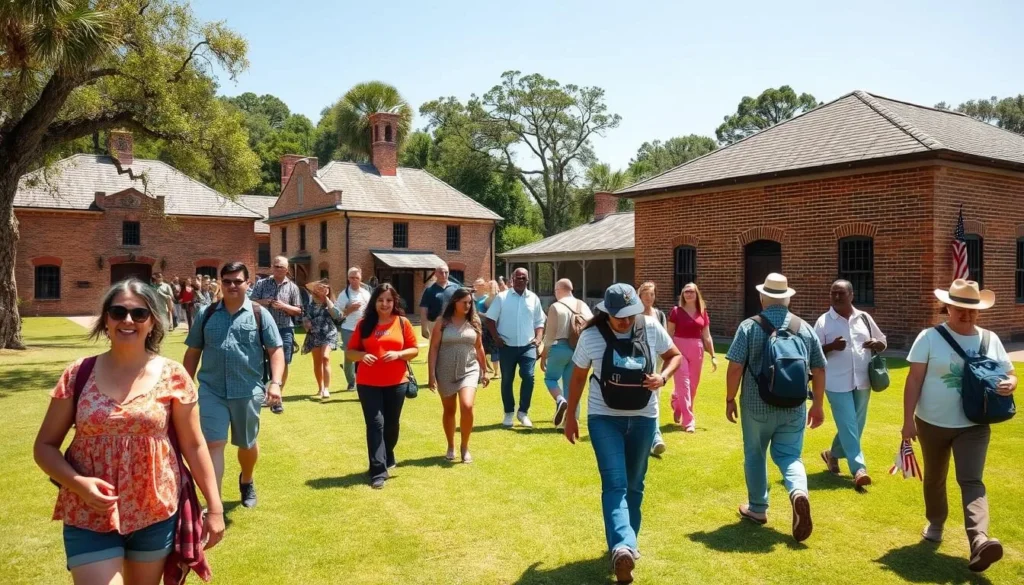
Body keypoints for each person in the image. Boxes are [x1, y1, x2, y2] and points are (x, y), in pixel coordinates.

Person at [34, 279, 224, 584]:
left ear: (153, 322)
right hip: (88, 512)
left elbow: (194, 445)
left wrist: (215, 509)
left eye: (139, 314)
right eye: (118, 311)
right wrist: (79, 483)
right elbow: (44, 445)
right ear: (105, 319)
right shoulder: (78, 373)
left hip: (154, 512)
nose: (127, 320)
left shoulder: (172, 375)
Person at [564, 283, 682, 585]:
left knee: (635, 484)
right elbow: (578, 377)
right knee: (615, 483)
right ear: (607, 312)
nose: (626, 322)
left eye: (630, 315)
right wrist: (571, 415)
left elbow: (675, 356)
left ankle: (627, 543)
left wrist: (662, 377)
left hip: (644, 418)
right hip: (604, 419)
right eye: (620, 317)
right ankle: (622, 547)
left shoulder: (651, 326)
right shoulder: (591, 336)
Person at [902, 279, 1015, 572]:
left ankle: (979, 541)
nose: (966, 315)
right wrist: (906, 422)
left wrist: (1010, 384)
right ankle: (936, 523)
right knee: (935, 477)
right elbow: (914, 379)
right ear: (947, 308)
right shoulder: (929, 337)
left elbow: (1010, 373)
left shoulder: (990, 339)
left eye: (972, 311)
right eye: (960, 310)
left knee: (971, 480)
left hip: (974, 423)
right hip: (931, 422)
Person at [724, 273, 825, 542]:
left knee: (755, 454)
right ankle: (798, 492)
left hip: (757, 405)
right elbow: (819, 367)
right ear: (788, 298)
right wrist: (818, 404)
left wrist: (730, 398)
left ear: (762, 297)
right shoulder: (804, 328)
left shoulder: (749, 326)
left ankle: (758, 508)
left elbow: (735, 367)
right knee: (791, 456)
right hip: (794, 405)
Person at [183, 262, 285, 509]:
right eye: (226, 281)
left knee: (247, 444)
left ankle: (247, 479)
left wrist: (275, 383)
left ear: (247, 284)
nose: (231, 286)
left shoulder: (260, 314)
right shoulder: (206, 313)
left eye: (237, 281)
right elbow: (193, 351)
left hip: (248, 391)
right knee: (213, 444)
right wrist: (184, 385)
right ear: (221, 283)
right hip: (211, 390)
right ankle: (214, 504)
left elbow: (276, 350)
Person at [814, 279, 887, 489]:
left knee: (857, 425)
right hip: (835, 381)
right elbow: (812, 351)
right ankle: (859, 470)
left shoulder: (864, 318)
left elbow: (882, 340)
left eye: (841, 293)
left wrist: (877, 344)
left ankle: (832, 454)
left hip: (863, 380)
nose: (836, 297)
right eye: (833, 293)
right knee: (848, 424)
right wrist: (831, 346)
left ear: (851, 295)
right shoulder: (824, 321)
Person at [346, 283, 420, 489]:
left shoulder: (403, 323)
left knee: (391, 424)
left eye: (388, 300)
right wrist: (362, 355)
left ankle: (388, 453)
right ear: (374, 302)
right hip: (368, 383)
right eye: (380, 300)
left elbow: (414, 349)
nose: (385, 304)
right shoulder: (364, 324)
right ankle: (378, 470)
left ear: (394, 301)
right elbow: (350, 352)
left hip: (397, 383)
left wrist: (399, 354)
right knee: (375, 424)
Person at [428, 288, 490, 463]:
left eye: (470, 303)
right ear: (454, 302)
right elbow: (433, 348)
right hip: (445, 370)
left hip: (469, 369)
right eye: (464, 302)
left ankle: (465, 446)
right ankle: (451, 445)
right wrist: (431, 374)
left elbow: (479, 347)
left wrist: (484, 370)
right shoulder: (443, 322)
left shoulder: (474, 322)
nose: (468, 306)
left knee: (467, 405)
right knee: (449, 410)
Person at [485, 267, 546, 428]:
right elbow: (490, 320)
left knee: (529, 377)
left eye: (523, 278)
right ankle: (509, 413)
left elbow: (539, 321)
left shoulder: (533, 298)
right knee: (507, 380)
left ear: (528, 280)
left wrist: (539, 338)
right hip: (507, 346)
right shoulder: (502, 297)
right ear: (512, 279)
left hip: (528, 346)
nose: (520, 280)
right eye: (517, 278)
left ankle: (523, 412)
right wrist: (496, 338)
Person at [249, 256, 303, 414]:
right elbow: (251, 303)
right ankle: (263, 392)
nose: (278, 269)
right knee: (261, 361)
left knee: (284, 362)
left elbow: (299, 310)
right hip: (262, 328)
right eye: (276, 266)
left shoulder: (293, 287)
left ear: (287, 270)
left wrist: (284, 306)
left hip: (285, 328)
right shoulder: (261, 284)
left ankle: (278, 394)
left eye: (281, 267)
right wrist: (264, 302)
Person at [540, 278, 592, 428]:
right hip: (579, 350)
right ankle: (571, 420)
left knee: (550, 379)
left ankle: (560, 400)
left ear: (559, 290)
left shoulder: (556, 306)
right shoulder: (583, 305)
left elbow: (549, 336)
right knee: (572, 384)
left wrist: (544, 355)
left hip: (559, 347)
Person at [666, 282, 718, 433]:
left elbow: (707, 337)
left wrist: (713, 356)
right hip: (678, 350)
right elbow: (668, 334)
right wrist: (666, 353)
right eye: (686, 291)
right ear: (682, 294)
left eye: (691, 292)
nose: (688, 294)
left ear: (697, 294)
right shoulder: (676, 311)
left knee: (693, 387)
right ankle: (689, 421)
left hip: (697, 349)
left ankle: (677, 403)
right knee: (684, 385)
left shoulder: (702, 312)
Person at [637, 281, 681, 456]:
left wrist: (663, 371)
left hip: (656, 361)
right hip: (640, 360)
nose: (649, 298)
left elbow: (665, 343)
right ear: (639, 296)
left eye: (652, 294)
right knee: (647, 397)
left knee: (654, 396)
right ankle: (654, 437)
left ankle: (654, 438)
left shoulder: (659, 315)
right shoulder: (634, 314)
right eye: (646, 294)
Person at [302, 280, 341, 400]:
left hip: (329, 332)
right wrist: (306, 322)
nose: (324, 291)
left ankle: (327, 388)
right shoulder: (310, 305)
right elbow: (305, 317)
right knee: (317, 362)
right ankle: (320, 387)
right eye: (321, 289)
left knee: (325, 357)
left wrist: (326, 299)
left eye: (326, 289)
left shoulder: (331, 303)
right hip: (314, 333)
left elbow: (336, 315)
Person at [337, 267, 372, 391]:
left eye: (356, 278)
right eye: (351, 278)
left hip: (364, 329)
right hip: (348, 329)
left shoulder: (366, 293)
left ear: (360, 278)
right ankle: (351, 382)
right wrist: (349, 310)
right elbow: (338, 315)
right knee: (349, 357)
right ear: (348, 278)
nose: (354, 280)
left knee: (366, 355)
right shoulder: (344, 295)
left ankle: (365, 380)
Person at [419, 264, 460, 340]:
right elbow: (423, 309)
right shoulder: (429, 290)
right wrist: (424, 327)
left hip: (453, 323)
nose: (444, 275)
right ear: (435, 274)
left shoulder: (456, 288)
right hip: (434, 323)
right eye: (441, 272)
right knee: (435, 347)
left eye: (446, 272)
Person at [473, 278, 500, 378]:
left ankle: (496, 372)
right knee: (481, 348)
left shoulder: (490, 298)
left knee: (493, 349)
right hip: (479, 326)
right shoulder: (474, 297)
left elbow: (493, 313)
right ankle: (484, 370)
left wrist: (482, 314)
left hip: (490, 326)